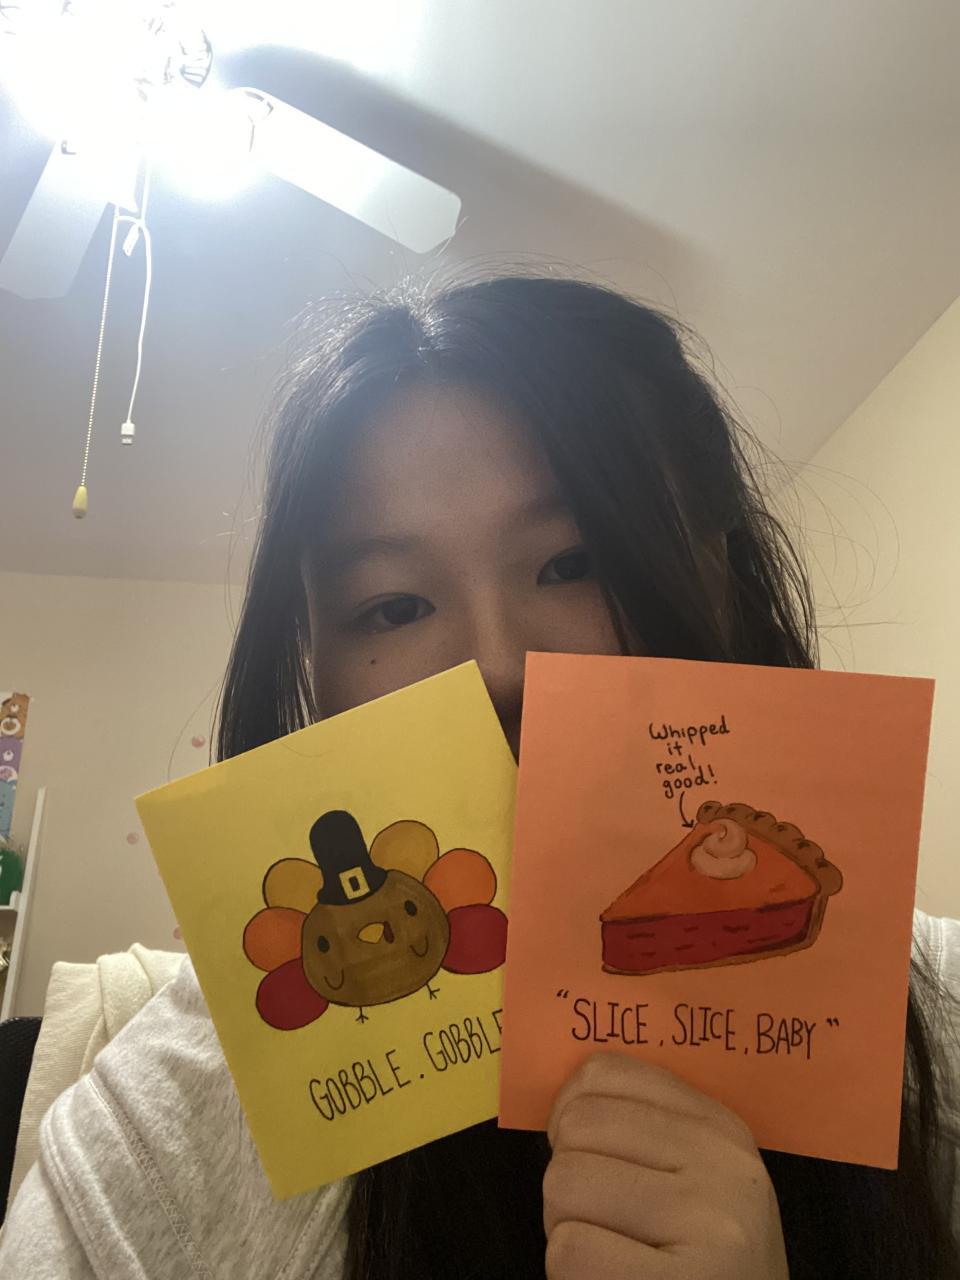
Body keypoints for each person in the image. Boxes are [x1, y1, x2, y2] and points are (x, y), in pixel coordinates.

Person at [2, 271, 958, 1279]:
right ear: (315, 667)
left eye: (572, 561)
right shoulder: (157, 1128)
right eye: (395, 605)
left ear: (721, 570)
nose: (498, 664)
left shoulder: (928, 1024)